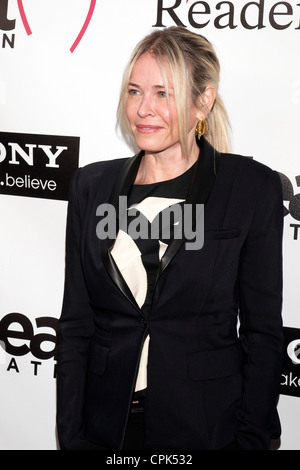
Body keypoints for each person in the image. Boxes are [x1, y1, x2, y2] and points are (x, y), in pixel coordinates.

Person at [56, 26, 284, 451]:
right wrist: (71, 438)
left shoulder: (249, 189)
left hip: (205, 427)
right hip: (107, 427)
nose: (144, 109)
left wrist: (249, 441)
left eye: (163, 93)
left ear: (203, 101)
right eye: (134, 91)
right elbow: (75, 327)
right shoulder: (91, 186)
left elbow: (263, 334)